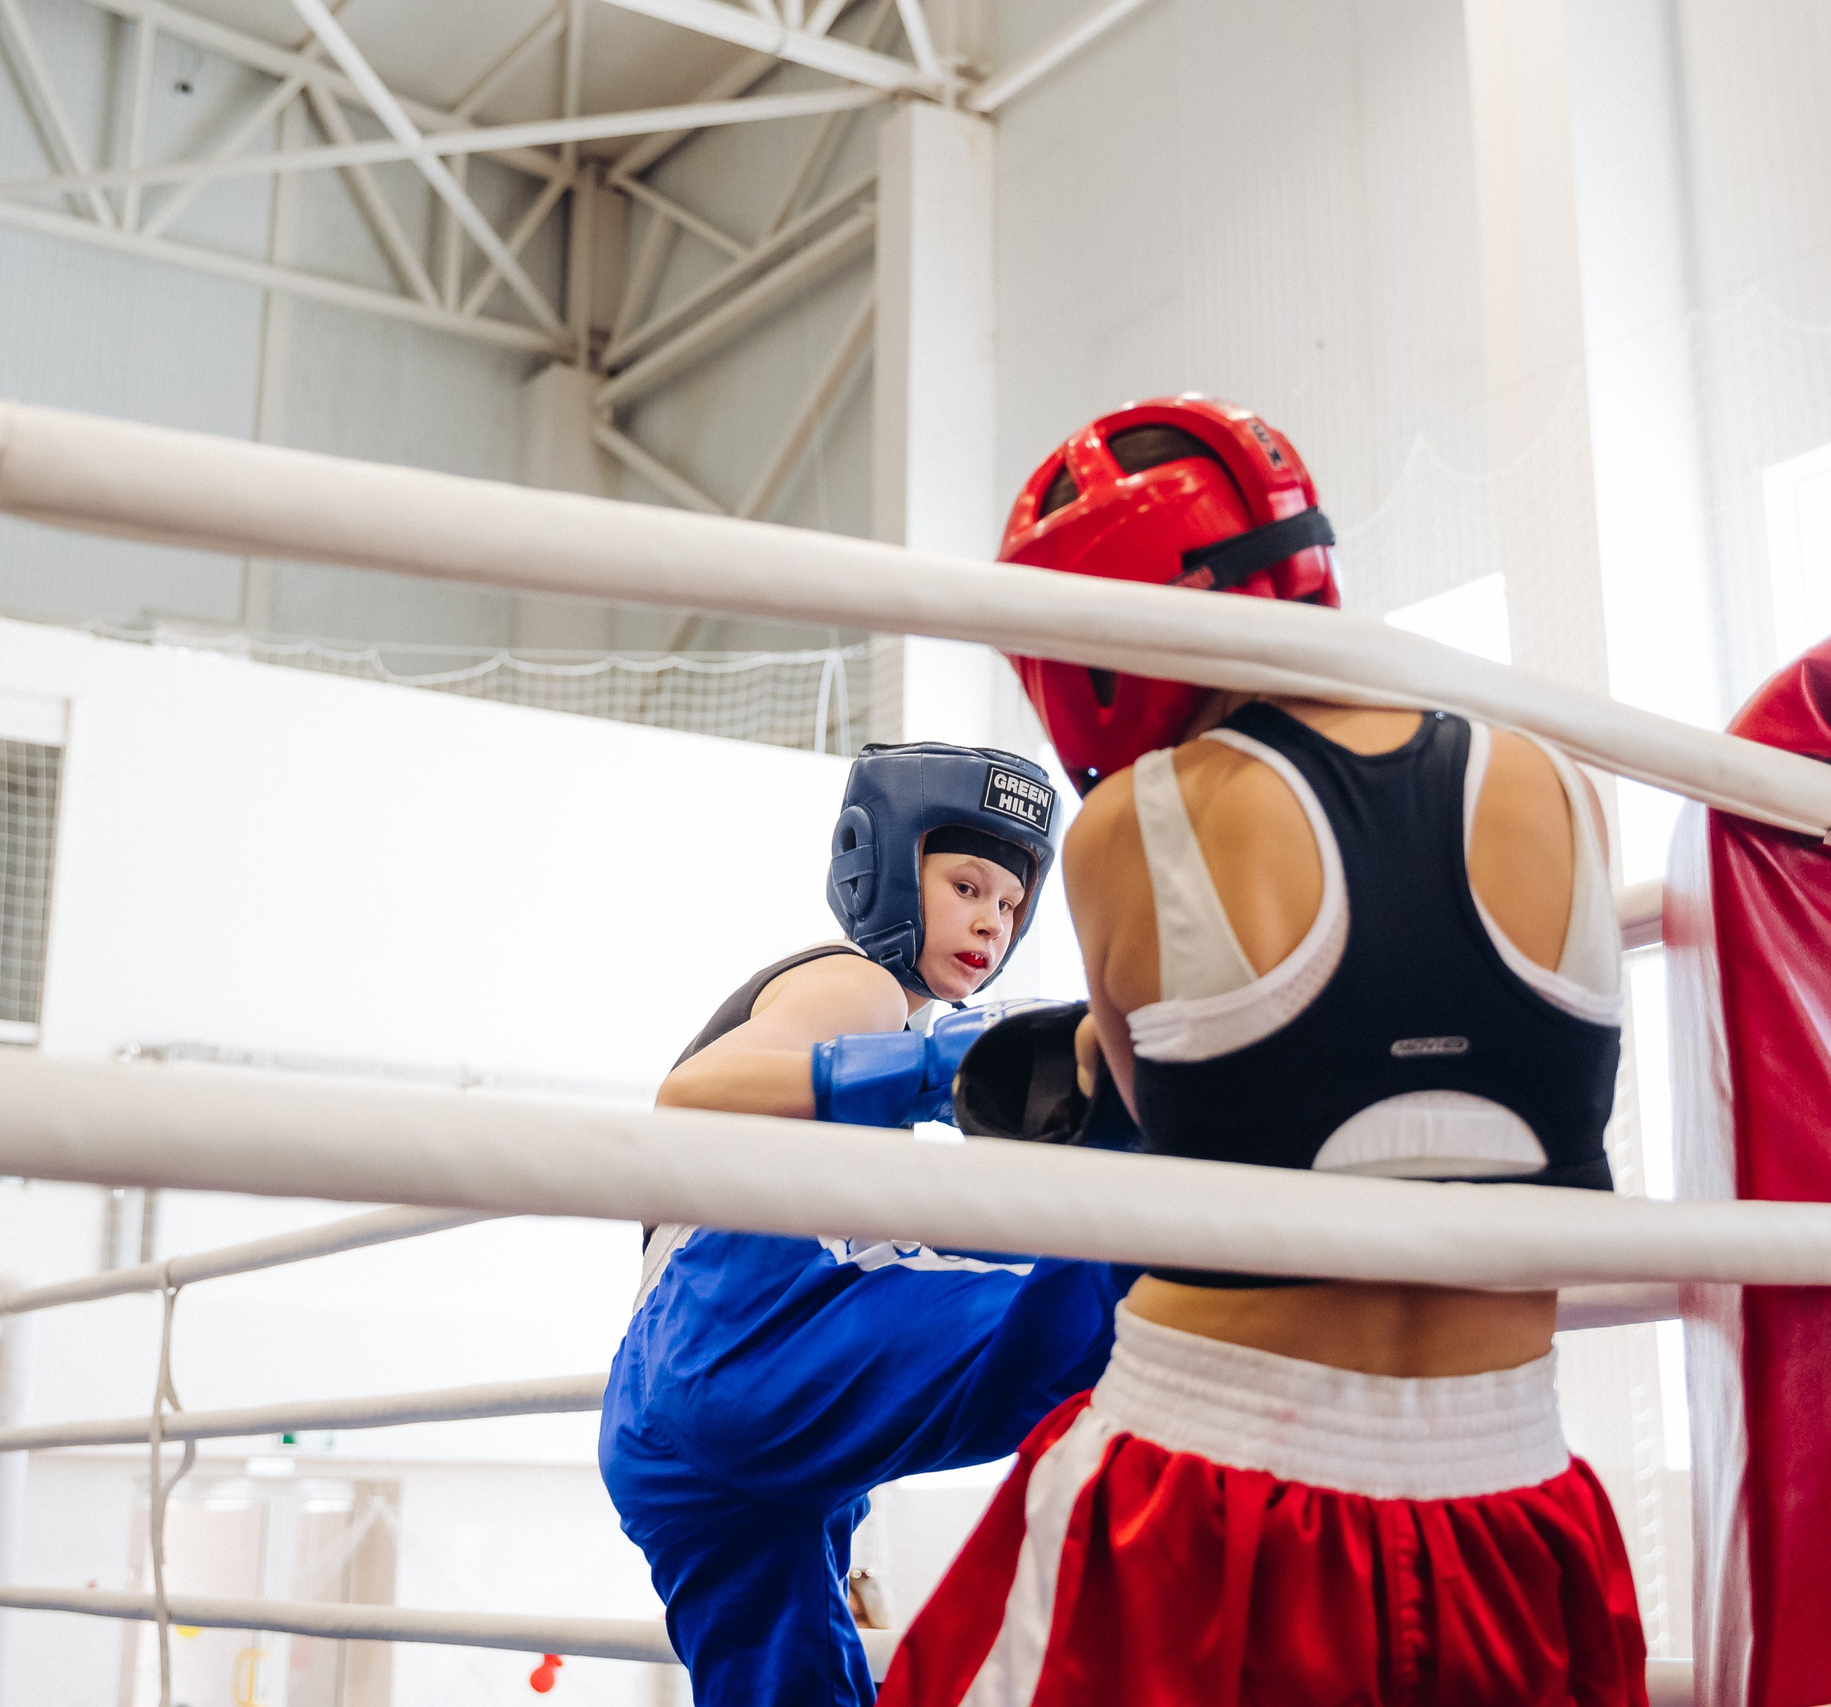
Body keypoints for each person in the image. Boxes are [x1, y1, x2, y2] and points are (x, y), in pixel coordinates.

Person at [879, 397, 1649, 1706]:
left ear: (1101, 628)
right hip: (1515, 1495)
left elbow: (1145, 1097)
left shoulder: (1135, 824)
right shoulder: (1567, 782)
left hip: (1202, 1476)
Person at [600, 742, 1135, 1707]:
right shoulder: (861, 989)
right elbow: (691, 1093)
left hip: (670, 1420)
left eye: (1010, 905)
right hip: (741, 1337)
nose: (990, 920)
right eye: (967, 883)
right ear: (888, 870)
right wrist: (935, 1069)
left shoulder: (880, 1050)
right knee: (1098, 1315)